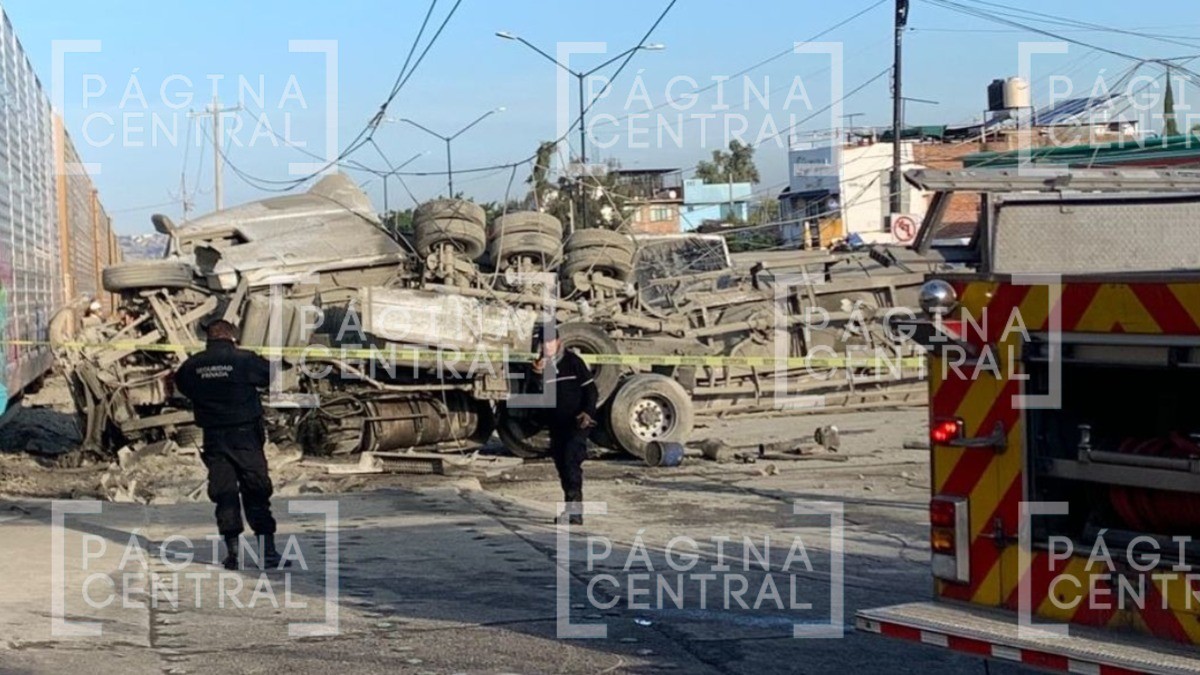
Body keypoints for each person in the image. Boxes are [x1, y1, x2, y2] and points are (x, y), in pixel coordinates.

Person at [174, 320, 284, 570]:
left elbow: (181, 386)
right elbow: (270, 375)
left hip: (213, 437)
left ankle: (232, 554)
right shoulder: (244, 359)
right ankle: (268, 553)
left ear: (209, 337)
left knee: (224, 493)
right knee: (256, 489)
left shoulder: (193, 365)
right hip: (245, 436)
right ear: (232, 336)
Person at [530, 321, 598, 525]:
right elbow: (535, 396)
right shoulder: (540, 366)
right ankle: (571, 507)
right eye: (543, 343)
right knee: (562, 465)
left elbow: (591, 390)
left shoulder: (572, 361)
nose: (547, 346)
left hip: (576, 422)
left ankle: (575, 511)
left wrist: (587, 412)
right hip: (556, 424)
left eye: (550, 342)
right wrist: (536, 376)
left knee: (571, 461)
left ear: (558, 342)